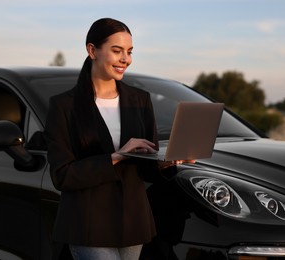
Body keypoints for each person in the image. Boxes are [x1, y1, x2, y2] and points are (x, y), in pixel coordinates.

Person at [44, 18, 187, 260]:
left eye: (129, 52)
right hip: (89, 224)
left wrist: (166, 162)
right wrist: (116, 156)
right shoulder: (63, 106)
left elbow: (147, 169)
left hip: (133, 223)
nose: (126, 59)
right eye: (117, 51)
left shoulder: (139, 99)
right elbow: (62, 175)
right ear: (92, 51)